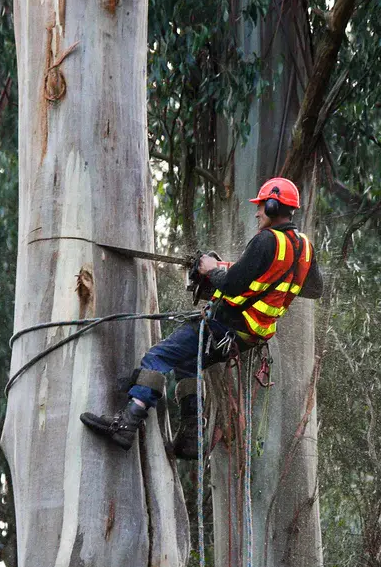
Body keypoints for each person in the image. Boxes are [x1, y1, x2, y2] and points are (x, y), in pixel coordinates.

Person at [80, 177, 323, 459]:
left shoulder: (266, 240)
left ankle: (126, 423)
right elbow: (313, 288)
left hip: (224, 327)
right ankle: (191, 438)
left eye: (260, 207)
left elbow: (231, 285)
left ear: (272, 205)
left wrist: (210, 270)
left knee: (158, 357)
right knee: (187, 365)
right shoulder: (305, 247)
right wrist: (255, 273)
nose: (257, 213)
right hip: (247, 337)